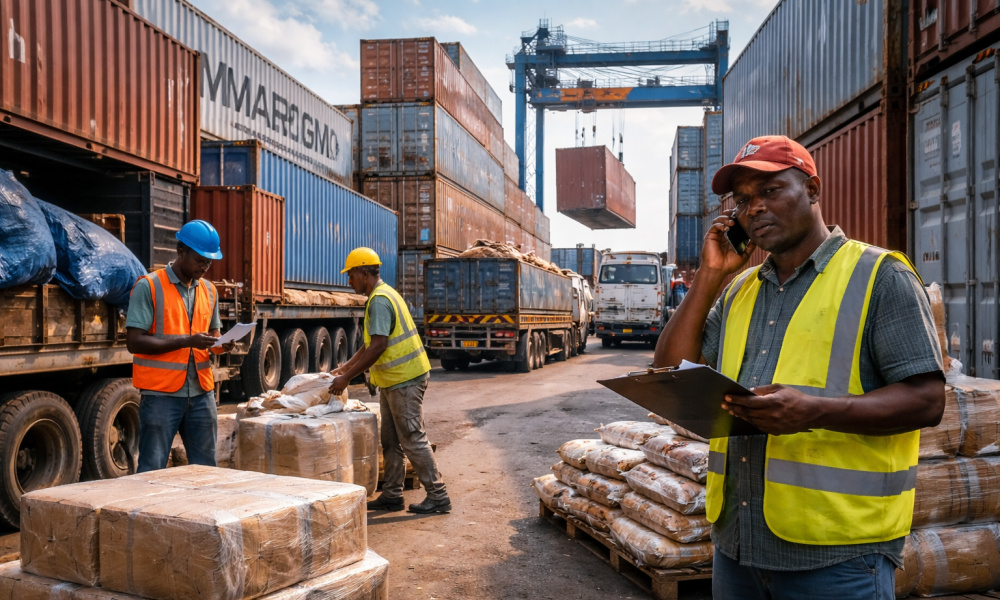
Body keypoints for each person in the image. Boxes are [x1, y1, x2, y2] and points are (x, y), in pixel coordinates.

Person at [652, 135, 945, 599]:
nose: (755, 209)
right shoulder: (738, 290)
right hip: (738, 547)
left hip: (838, 557)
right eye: (743, 200)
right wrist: (710, 275)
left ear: (812, 189)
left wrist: (816, 411)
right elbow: (669, 371)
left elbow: (928, 401)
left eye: (771, 191)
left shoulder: (880, 276)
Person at [329, 247, 451, 514]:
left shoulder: (380, 300)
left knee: (412, 438)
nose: (349, 281)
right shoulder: (384, 294)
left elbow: (379, 346)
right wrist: (345, 368)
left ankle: (438, 496)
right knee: (391, 441)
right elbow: (370, 342)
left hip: (405, 380)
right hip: (394, 381)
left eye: (351, 275)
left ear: (363, 273)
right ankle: (393, 494)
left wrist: (347, 378)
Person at [125, 220, 234, 473]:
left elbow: (213, 336)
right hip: (161, 395)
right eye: (200, 259)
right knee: (153, 470)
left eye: (209, 261)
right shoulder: (149, 286)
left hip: (201, 394)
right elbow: (134, 342)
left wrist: (222, 345)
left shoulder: (209, 291)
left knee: (206, 471)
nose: (205, 266)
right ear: (181, 251)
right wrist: (187, 341)